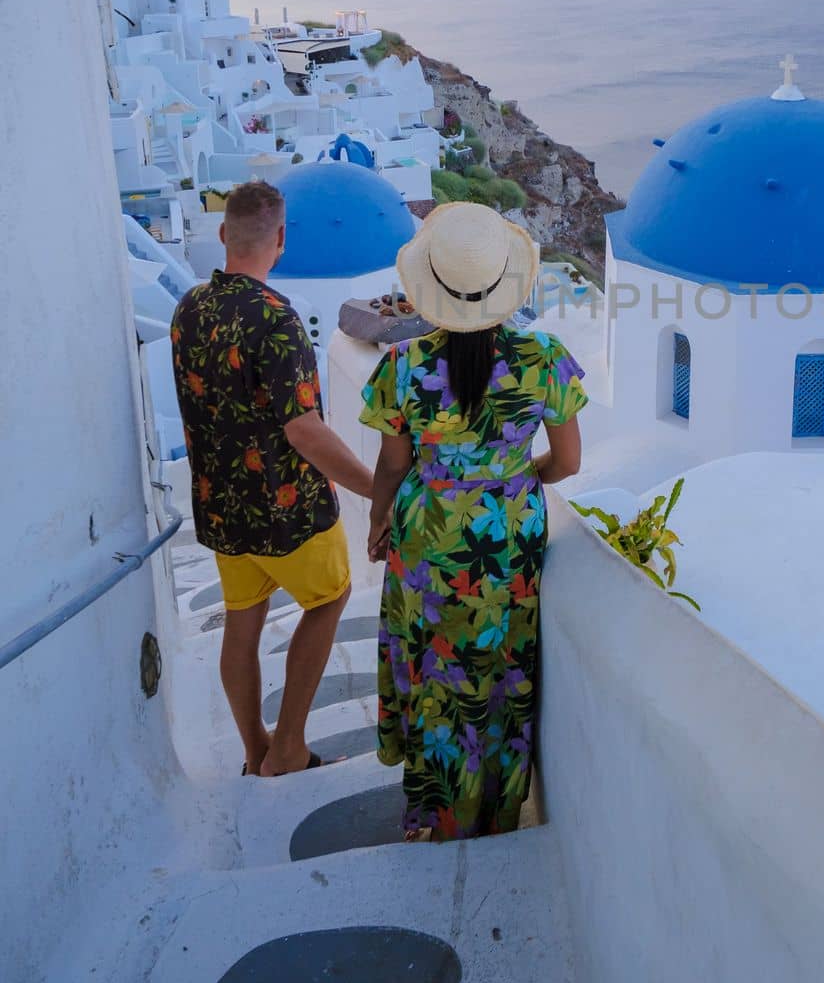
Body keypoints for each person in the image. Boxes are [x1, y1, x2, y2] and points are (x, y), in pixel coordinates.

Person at [361, 202, 587, 841]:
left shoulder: (402, 365)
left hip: (427, 530)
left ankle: (434, 809)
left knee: (435, 665)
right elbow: (567, 463)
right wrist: (514, 481)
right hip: (507, 536)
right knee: (501, 669)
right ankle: (493, 809)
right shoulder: (544, 357)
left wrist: (378, 519)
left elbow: (390, 466)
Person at [172, 180, 375, 777]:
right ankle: (287, 748)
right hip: (287, 511)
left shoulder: (190, 309)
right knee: (330, 597)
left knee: (244, 619)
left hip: (220, 506)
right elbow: (304, 431)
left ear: (222, 235)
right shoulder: (276, 318)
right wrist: (373, 486)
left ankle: (253, 747)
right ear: (280, 239)